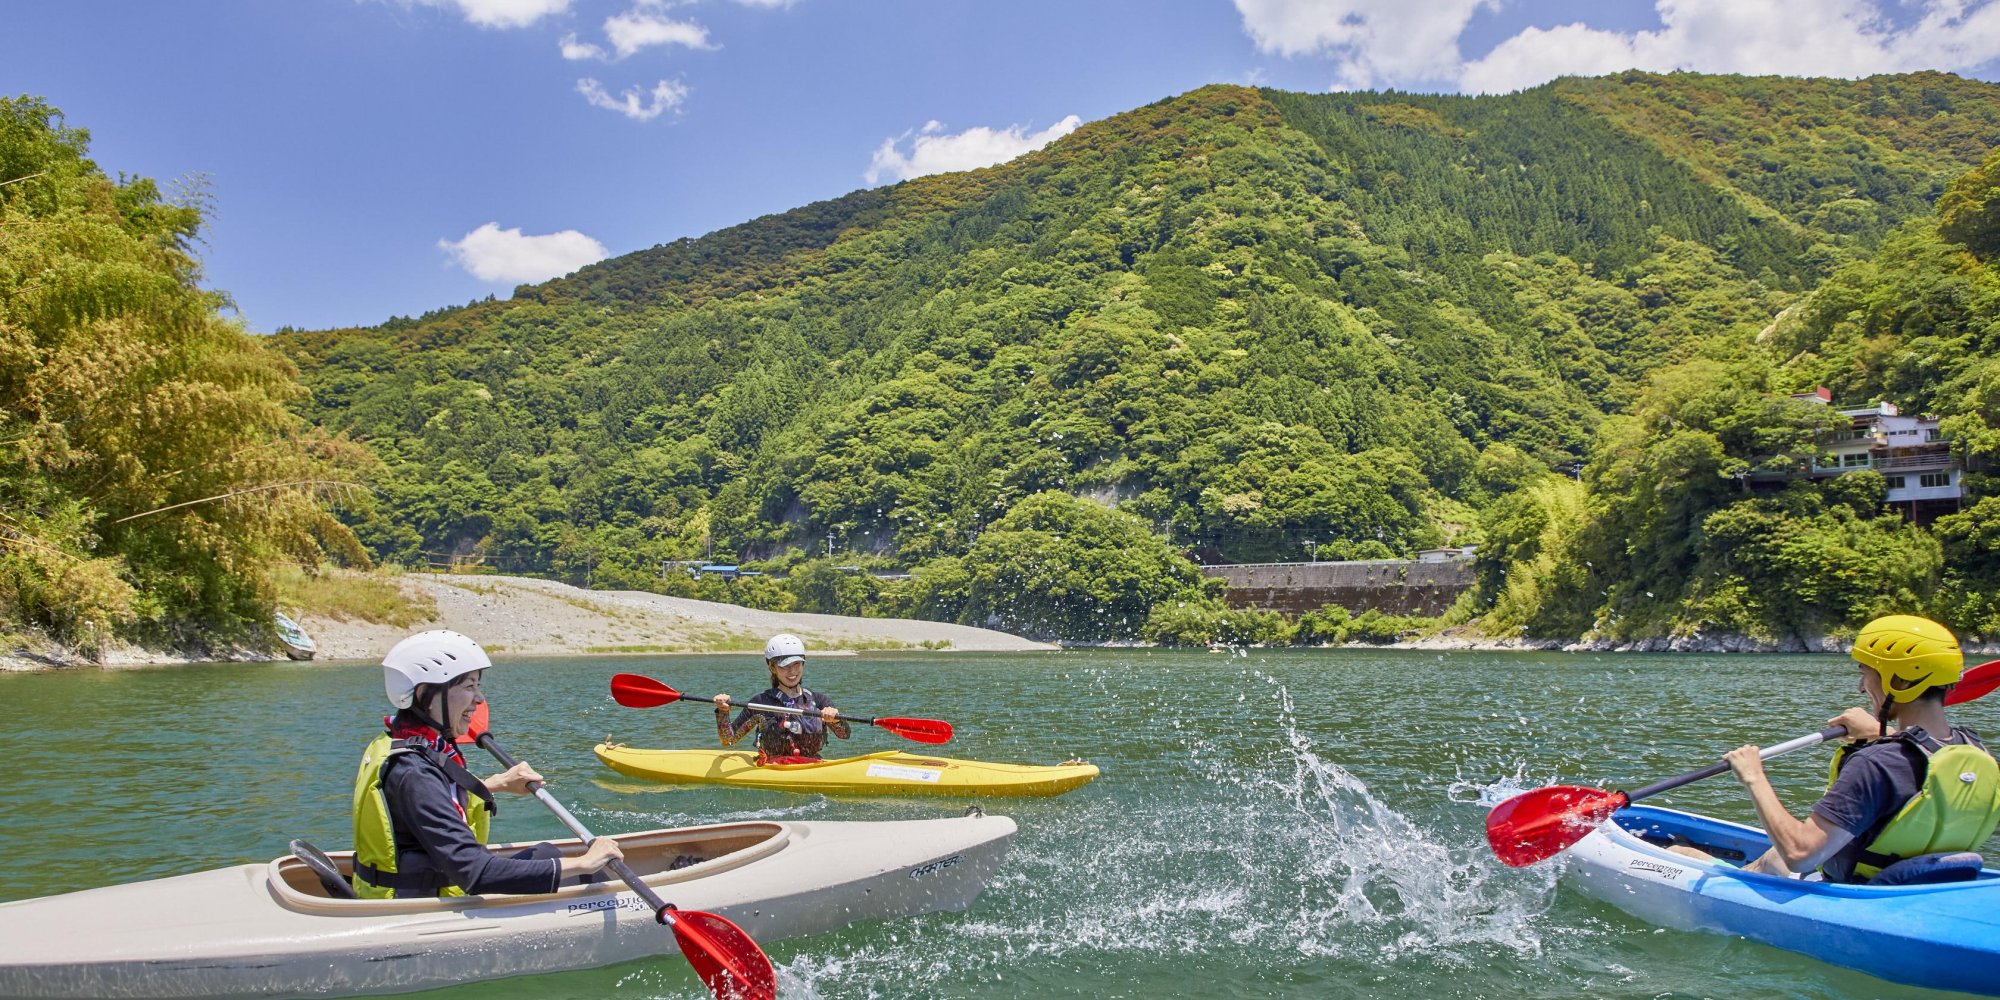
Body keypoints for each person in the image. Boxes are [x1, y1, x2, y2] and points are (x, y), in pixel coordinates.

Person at [1705, 615, 2000, 882]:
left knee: (1693, 853)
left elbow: (1801, 855)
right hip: (1929, 885)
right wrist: (1878, 733)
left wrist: (1753, 776)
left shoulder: (1876, 764)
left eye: (1866, 673)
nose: (1861, 687)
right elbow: (1920, 763)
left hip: (1861, 895)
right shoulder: (1976, 753)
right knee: (1772, 856)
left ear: (1899, 680)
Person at [350, 629, 621, 898]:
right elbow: (475, 872)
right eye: (469, 686)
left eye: (478, 686)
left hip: (424, 885)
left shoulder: (399, 741)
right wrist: (582, 863)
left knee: (546, 853)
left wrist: (497, 783)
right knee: (583, 873)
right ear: (424, 694)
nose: (479, 699)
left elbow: (432, 801)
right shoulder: (414, 772)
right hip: (426, 908)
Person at [713, 633, 851, 763]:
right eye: (785, 665)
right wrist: (723, 712)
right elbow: (729, 739)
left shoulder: (819, 701)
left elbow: (844, 735)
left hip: (811, 765)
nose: (792, 671)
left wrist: (835, 720)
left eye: (796, 664)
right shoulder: (761, 702)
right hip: (773, 767)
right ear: (773, 667)